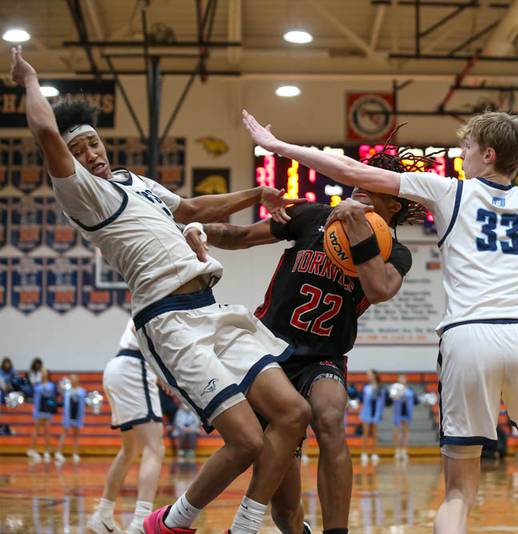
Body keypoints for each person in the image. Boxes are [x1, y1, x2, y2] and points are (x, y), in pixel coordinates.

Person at [242, 61, 518, 534]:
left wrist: (277, 146)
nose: (462, 154)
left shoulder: (450, 191)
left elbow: (350, 168)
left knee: (458, 489)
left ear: (488, 155)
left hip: (469, 338)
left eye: (467, 147)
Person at [9, 46, 311, 534]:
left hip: (210, 308)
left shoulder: (135, 182)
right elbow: (46, 132)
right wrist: (29, 80)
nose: (90, 154)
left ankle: (245, 525)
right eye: (78, 149)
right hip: (167, 320)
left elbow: (192, 208)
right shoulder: (82, 192)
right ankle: (172, 521)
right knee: (247, 441)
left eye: (92, 143)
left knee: (294, 412)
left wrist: (258, 193)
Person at [184, 147, 424, 534]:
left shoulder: (394, 252)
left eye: (374, 185)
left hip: (323, 357)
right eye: (359, 179)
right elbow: (241, 235)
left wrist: (359, 230)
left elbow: (380, 289)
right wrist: (195, 231)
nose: (361, 187)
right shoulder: (310, 215)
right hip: (267, 352)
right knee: (285, 511)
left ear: (393, 205)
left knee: (330, 416)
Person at [88, 319, 165, 534]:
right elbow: (138, 325)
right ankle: (141, 522)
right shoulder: (163, 296)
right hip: (134, 367)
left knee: (130, 450)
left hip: (117, 368)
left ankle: (102, 515)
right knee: (155, 447)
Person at [55, 373, 86, 464]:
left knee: (76, 435)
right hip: (67, 416)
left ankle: (75, 453)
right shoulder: (66, 391)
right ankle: (58, 453)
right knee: (64, 434)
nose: (73, 380)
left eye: (75, 378)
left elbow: (84, 404)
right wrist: (61, 384)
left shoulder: (82, 391)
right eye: (71, 378)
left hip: (78, 416)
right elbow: (59, 391)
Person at [27, 368, 57, 463]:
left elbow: (53, 398)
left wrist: (52, 409)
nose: (43, 374)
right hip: (39, 410)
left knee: (47, 431)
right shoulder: (37, 386)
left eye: (45, 372)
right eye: (42, 372)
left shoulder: (51, 386)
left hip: (47, 410)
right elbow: (35, 398)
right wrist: (34, 411)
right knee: (36, 430)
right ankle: (32, 449)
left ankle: (47, 451)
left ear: (48, 374)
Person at [360, 369, 386, 466]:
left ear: (375, 375)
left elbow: (382, 402)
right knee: (365, 433)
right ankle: (364, 453)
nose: (368, 377)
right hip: (366, 412)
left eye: (370, 375)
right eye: (368, 375)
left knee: (375, 433)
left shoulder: (381, 388)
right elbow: (363, 400)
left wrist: (379, 414)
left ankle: (374, 453)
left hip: (376, 413)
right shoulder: (366, 388)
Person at [391, 375, 418, 462]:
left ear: (406, 381)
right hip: (397, 413)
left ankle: (404, 451)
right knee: (397, 433)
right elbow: (392, 397)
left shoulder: (410, 391)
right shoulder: (395, 389)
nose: (401, 381)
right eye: (400, 380)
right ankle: (397, 451)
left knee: (405, 433)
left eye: (403, 379)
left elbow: (414, 399)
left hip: (406, 412)